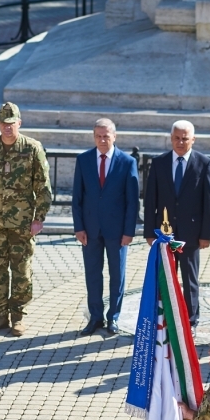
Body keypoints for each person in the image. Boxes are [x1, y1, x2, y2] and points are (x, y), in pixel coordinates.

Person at [0, 102, 52, 336]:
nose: (8, 127)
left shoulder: (32, 148)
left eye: (12, 123)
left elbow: (43, 186)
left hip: (22, 224)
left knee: (21, 271)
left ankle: (18, 315)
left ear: (19, 123)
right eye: (4, 123)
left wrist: (39, 218)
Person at [144, 120, 210, 338]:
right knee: (166, 278)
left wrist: (206, 234)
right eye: (177, 138)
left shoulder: (204, 164)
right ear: (171, 138)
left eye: (185, 138)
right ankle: (165, 319)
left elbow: (209, 202)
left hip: (191, 235)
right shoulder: (159, 163)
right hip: (164, 234)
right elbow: (150, 200)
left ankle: (191, 321)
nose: (180, 142)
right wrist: (149, 232)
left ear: (193, 139)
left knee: (189, 279)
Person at [73, 118, 139, 336]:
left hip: (117, 231)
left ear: (114, 136)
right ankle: (95, 317)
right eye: (98, 136)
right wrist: (79, 227)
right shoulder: (83, 160)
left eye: (106, 136)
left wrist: (129, 231)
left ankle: (114, 317)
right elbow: (77, 197)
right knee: (93, 274)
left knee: (117, 275)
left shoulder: (127, 162)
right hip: (90, 229)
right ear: (94, 137)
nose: (102, 140)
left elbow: (132, 201)